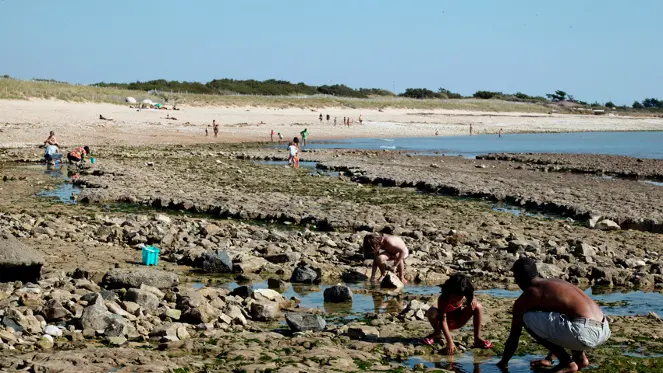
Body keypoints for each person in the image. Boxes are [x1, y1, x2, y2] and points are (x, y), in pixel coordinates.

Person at [497, 258, 610, 373]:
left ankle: (567, 363)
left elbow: (514, 337)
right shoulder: (556, 283)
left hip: (583, 331)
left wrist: (503, 363)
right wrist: (549, 359)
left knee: (526, 318)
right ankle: (579, 359)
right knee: (567, 317)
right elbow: (559, 325)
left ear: (518, 278)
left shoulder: (530, 294)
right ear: (537, 273)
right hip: (604, 328)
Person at [424, 274, 493, 353]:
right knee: (432, 311)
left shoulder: (465, 296)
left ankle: (477, 338)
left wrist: (474, 299)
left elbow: (471, 295)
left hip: (458, 321)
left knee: (478, 306)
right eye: (453, 295)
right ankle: (437, 333)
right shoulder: (443, 298)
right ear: (449, 291)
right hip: (443, 323)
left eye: (459, 296)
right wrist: (450, 342)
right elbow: (443, 321)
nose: (455, 299)